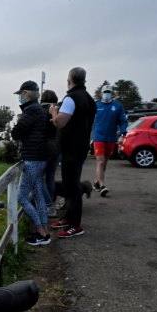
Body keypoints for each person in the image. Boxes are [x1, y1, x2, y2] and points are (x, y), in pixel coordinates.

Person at [49, 67, 97, 238]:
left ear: (69, 79)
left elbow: (60, 122)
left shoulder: (70, 99)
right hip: (81, 147)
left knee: (73, 187)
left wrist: (54, 111)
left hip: (70, 149)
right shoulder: (90, 100)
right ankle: (68, 219)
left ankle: (74, 225)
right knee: (71, 184)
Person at [11, 80, 50, 246]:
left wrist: (17, 125)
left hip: (32, 159)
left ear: (26, 93)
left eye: (20, 94)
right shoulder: (40, 110)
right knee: (39, 195)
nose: (19, 97)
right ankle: (45, 231)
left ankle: (41, 233)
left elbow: (16, 133)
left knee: (21, 197)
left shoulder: (30, 111)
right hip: (41, 158)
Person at [92, 84, 128, 197]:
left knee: (105, 163)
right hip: (99, 137)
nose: (107, 94)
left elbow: (122, 120)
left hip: (111, 138)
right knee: (100, 161)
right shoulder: (96, 106)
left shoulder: (117, 106)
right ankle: (102, 186)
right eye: (105, 91)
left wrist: (123, 132)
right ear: (101, 93)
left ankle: (97, 182)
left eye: (109, 92)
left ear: (112, 93)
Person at [39, 89, 60, 217]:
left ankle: (49, 206)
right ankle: (50, 204)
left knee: (38, 177)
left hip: (45, 147)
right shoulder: (58, 111)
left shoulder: (41, 112)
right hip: (57, 146)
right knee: (50, 177)